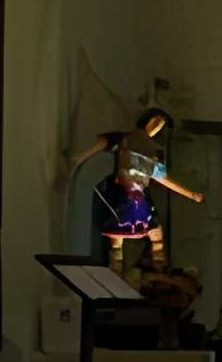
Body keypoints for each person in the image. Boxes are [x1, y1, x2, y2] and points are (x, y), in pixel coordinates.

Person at [73, 107, 202, 271]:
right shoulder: (122, 140)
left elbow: (162, 178)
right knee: (117, 242)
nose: (156, 128)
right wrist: (78, 160)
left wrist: (190, 194)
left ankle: (159, 266)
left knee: (155, 235)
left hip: (139, 199)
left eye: (160, 126)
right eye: (155, 123)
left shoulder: (152, 152)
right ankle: (115, 269)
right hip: (121, 197)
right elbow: (101, 145)